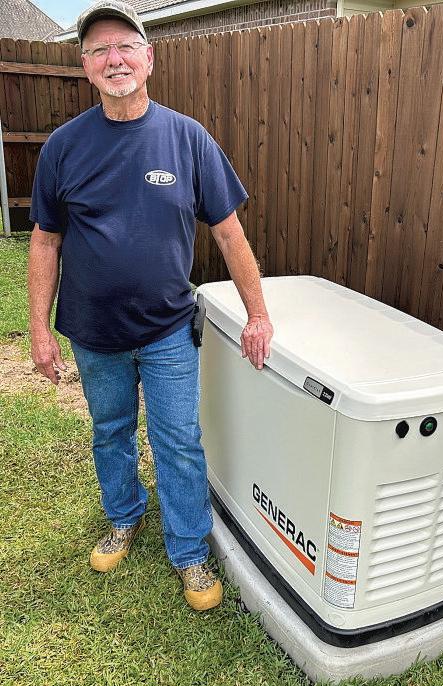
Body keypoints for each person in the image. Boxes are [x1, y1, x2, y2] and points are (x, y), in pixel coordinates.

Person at [28, 0, 273, 612]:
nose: (115, 59)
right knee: (110, 431)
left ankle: (188, 549)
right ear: (85, 65)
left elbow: (229, 234)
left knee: (179, 441)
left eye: (125, 47)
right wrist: (39, 329)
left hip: (167, 330)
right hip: (93, 332)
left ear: (149, 57)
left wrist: (259, 314)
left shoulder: (187, 138)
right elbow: (45, 241)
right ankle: (123, 515)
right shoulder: (62, 147)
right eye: (100, 50)